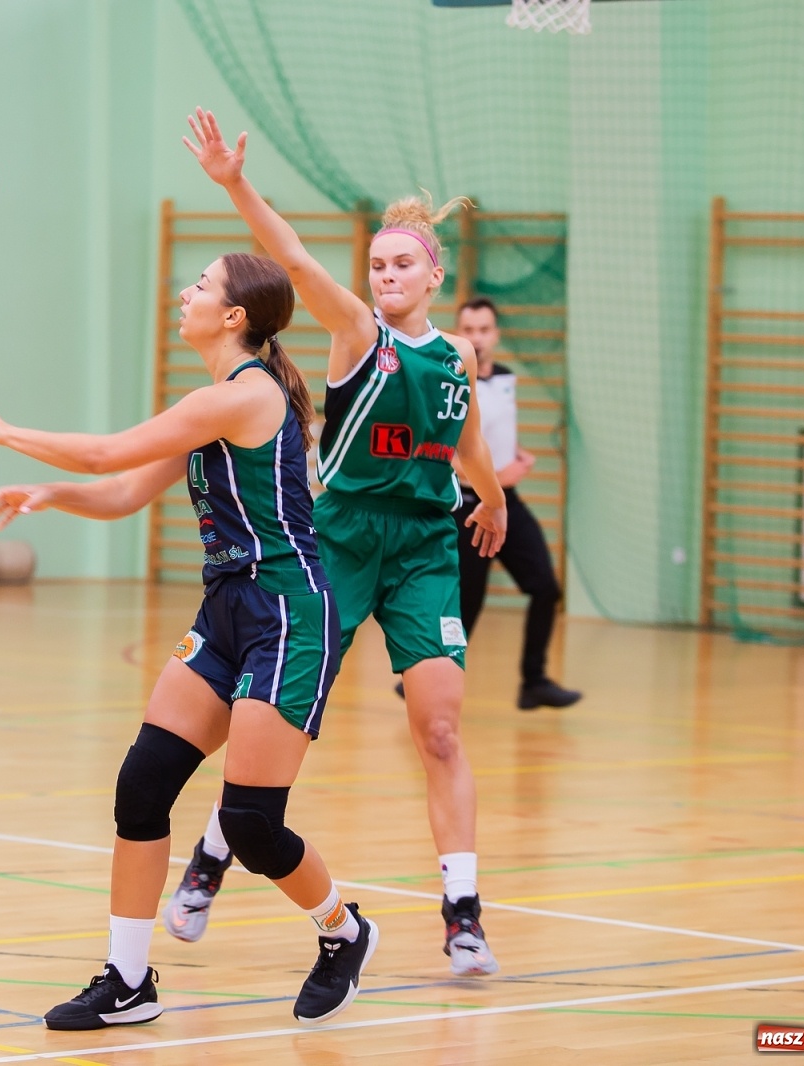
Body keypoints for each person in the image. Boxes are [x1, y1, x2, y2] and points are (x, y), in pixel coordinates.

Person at [0, 252, 376, 1029]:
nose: (187, 293)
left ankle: (343, 931)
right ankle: (129, 979)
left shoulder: (246, 395)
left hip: (288, 617)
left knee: (250, 824)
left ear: (235, 315)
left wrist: (8, 434)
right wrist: (49, 493)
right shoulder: (215, 401)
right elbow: (117, 490)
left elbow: (111, 451)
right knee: (142, 787)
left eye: (202, 286)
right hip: (225, 612)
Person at [179, 108, 508, 976]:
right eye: (377, 264)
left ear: (434, 275)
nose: (388, 273)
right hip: (339, 542)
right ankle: (215, 849)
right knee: (276, 718)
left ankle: (463, 910)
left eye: (403, 263)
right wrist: (234, 182)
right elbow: (289, 258)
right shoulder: (358, 332)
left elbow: (463, 441)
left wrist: (492, 494)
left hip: (425, 549)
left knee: (439, 728)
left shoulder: (455, 362)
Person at [452, 298, 580, 710]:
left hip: (508, 503)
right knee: (466, 603)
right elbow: (445, 454)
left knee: (546, 588)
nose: (477, 338)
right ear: (458, 335)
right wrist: (493, 479)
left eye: (484, 330)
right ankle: (432, 674)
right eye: (469, 330)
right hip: (470, 507)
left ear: (496, 334)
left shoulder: (506, 378)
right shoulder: (450, 383)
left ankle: (535, 681)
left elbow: (495, 434)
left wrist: (516, 455)